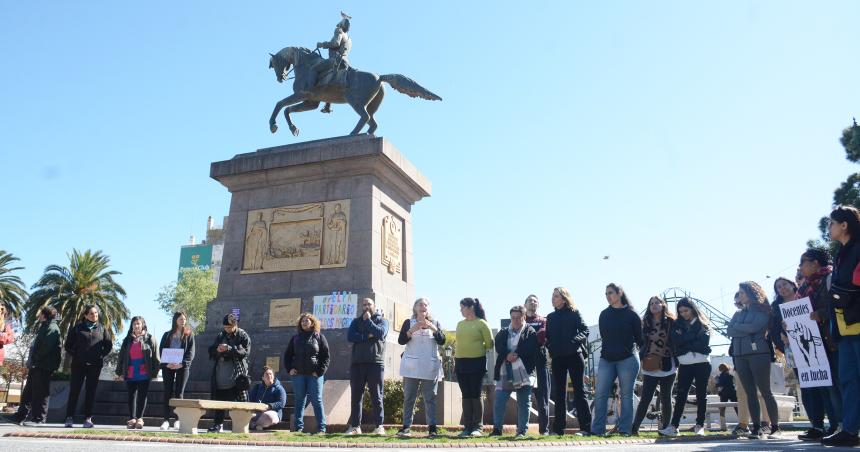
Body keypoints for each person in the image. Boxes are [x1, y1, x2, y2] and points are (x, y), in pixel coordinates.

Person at [792, 249, 844, 442]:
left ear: (815, 264)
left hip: (832, 340)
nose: (800, 267)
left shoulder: (830, 279)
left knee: (837, 385)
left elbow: (838, 305)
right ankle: (833, 425)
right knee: (825, 387)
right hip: (815, 345)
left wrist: (820, 314)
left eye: (803, 262)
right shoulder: (804, 287)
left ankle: (844, 425)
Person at [823, 206, 860, 447]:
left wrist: (838, 294)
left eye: (831, 223)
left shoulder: (857, 248)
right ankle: (850, 429)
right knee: (848, 380)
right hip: (846, 327)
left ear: (844, 224)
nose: (829, 228)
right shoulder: (841, 252)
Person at [727, 281, 781, 439]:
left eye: (742, 292)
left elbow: (754, 327)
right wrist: (742, 328)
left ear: (751, 293)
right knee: (750, 393)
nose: (740, 296)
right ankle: (756, 427)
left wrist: (738, 328)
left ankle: (775, 427)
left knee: (765, 392)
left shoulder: (763, 310)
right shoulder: (738, 313)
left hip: (759, 355)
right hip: (739, 356)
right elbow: (729, 330)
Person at [591, 283, 643, 437]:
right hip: (607, 359)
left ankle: (625, 430)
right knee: (600, 394)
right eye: (606, 293)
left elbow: (640, 340)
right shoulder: (604, 314)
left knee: (626, 395)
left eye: (611, 293)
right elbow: (606, 338)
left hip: (628, 359)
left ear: (620, 293)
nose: (608, 296)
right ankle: (597, 430)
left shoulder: (632, 315)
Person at [659, 297, 712, 437]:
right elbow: (676, 342)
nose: (683, 314)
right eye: (680, 311)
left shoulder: (702, 323)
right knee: (681, 395)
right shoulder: (676, 324)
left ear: (692, 309)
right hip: (685, 364)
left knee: (701, 395)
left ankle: (699, 425)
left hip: (702, 363)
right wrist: (692, 339)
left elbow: (703, 344)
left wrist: (685, 342)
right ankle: (674, 426)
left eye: (686, 310)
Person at [396, 298, 445, 438]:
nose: (423, 306)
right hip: (412, 367)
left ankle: (432, 428)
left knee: (430, 398)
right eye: (420, 304)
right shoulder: (408, 322)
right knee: (409, 398)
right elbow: (401, 341)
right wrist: (412, 330)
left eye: (425, 304)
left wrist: (433, 329)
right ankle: (406, 427)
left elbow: (442, 341)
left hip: (430, 367)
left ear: (428, 309)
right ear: (415, 308)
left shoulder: (435, 323)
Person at [544, 287, 590, 435]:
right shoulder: (550, 317)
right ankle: (558, 430)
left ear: (564, 298)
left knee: (579, 391)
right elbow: (548, 337)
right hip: (558, 358)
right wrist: (550, 346)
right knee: (559, 394)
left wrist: (574, 341)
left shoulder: (574, 313)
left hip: (575, 356)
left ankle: (585, 428)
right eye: (552, 296)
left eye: (556, 296)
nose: (553, 298)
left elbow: (585, 330)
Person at [490, 305, 538, 439]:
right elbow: (498, 345)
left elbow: (531, 348)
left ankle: (522, 431)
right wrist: (507, 355)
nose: (516, 320)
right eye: (513, 318)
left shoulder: (530, 331)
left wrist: (515, 355)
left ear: (524, 317)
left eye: (518, 318)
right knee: (499, 401)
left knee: (524, 403)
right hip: (505, 371)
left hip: (524, 372)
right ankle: (497, 430)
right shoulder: (504, 331)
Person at [632, 296, 677, 435]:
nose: (654, 305)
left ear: (663, 305)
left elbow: (676, 339)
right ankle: (635, 428)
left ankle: (665, 428)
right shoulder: (645, 323)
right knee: (645, 398)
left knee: (666, 398)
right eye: (651, 303)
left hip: (668, 363)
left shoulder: (671, 322)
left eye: (657, 302)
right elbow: (639, 340)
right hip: (650, 363)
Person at [10, 306, 61, 426]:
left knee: (41, 392)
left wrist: (35, 359)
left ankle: (39, 419)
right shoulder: (45, 326)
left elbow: (46, 348)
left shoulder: (52, 328)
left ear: (44, 315)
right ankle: (20, 416)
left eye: (40, 313)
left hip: (44, 365)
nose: (38, 315)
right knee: (28, 391)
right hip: (37, 364)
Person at [64, 304, 112, 428]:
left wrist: (99, 355)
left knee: (91, 392)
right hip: (78, 365)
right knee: (74, 391)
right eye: (91, 313)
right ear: (85, 315)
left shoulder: (102, 329)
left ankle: (88, 419)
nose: (94, 315)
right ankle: (69, 417)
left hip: (95, 366)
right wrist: (77, 355)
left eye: (96, 313)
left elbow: (108, 346)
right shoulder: (77, 328)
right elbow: (68, 345)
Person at [345, 298, 388, 435]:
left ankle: (379, 426)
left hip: (375, 363)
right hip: (357, 364)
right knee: (356, 397)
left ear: (374, 306)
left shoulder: (382, 321)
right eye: (364, 304)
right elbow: (351, 336)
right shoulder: (356, 322)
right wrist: (367, 336)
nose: (366, 306)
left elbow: (380, 334)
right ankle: (355, 427)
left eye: (369, 304)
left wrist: (369, 322)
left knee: (377, 396)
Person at [284, 313, 330, 434]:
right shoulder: (295, 338)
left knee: (316, 400)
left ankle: (321, 428)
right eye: (302, 321)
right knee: (299, 400)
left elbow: (326, 357)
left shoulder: (319, 337)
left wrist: (319, 371)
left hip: (314, 376)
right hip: (298, 375)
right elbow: (287, 356)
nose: (304, 322)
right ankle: (298, 428)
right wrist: (290, 369)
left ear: (312, 323)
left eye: (307, 321)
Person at [455, 297, 494, 437]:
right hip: (460, 363)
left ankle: (478, 427)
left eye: (462, 307)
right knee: (465, 394)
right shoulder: (460, 324)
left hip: (477, 363)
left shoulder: (482, 323)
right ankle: (467, 427)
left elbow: (489, 345)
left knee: (475, 394)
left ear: (471, 307)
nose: (460, 310)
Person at [207, 313, 251, 433]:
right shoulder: (221, 335)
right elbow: (211, 350)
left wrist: (230, 349)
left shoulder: (243, 335)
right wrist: (217, 349)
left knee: (238, 402)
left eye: (229, 327)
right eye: (225, 327)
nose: (227, 330)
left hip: (237, 375)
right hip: (221, 374)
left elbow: (244, 353)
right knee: (219, 401)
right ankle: (218, 425)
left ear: (235, 325)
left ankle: (240, 425)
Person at [114, 316, 160, 429]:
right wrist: (119, 372)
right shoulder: (127, 339)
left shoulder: (150, 338)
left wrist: (155, 372)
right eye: (134, 324)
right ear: (132, 326)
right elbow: (121, 357)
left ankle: (140, 418)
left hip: (144, 371)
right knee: (131, 395)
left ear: (143, 325)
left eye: (138, 323)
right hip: (130, 371)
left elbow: (156, 357)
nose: (136, 326)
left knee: (142, 395)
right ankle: (132, 418)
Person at [159, 311, 195, 431]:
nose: (182, 321)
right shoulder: (167, 334)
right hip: (168, 366)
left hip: (182, 367)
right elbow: (161, 350)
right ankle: (165, 420)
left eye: (184, 319)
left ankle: (178, 420)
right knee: (167, 392)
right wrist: (166, 363)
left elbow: (190, 353)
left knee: (179, 393)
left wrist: (182, 364)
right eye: (180, 319)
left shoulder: (189, 334)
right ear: (175, 320)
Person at [312, 12, 352, 112]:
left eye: (339, 23)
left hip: (334, 60)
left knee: (314, 68)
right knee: (329, 76)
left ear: (342, 25)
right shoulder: (349, 39)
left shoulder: (339, 31)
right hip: (345, 63)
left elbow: (335, 43)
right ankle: (328, 106)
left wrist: (322, 44)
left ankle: (309, 91)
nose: (337, 24)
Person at [524, 294, 551, 435]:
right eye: (530, 301)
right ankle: (522, 430)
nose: (533, 303)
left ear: (538, 305)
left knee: (543, 399)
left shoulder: (543, 320)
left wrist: (527, 339)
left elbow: (542, 337)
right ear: (525, 305)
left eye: (535, 301)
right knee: (523, 398)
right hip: (524, 366)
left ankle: (544, 431)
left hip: (540, 364)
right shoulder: (520, 320)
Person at [248, 366, 287, 431]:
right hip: (258, 412)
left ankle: (252, 425)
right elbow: (250, 400)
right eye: (266, 374)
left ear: (273, 376)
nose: (269, 376)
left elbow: (281, 403)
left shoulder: (279, 388)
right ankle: (256, 425)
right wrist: (257, 407)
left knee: (269, 417)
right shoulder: (257, 387)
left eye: (270, 374)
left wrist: (268, 406)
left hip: (273, 413)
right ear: (263, 378)